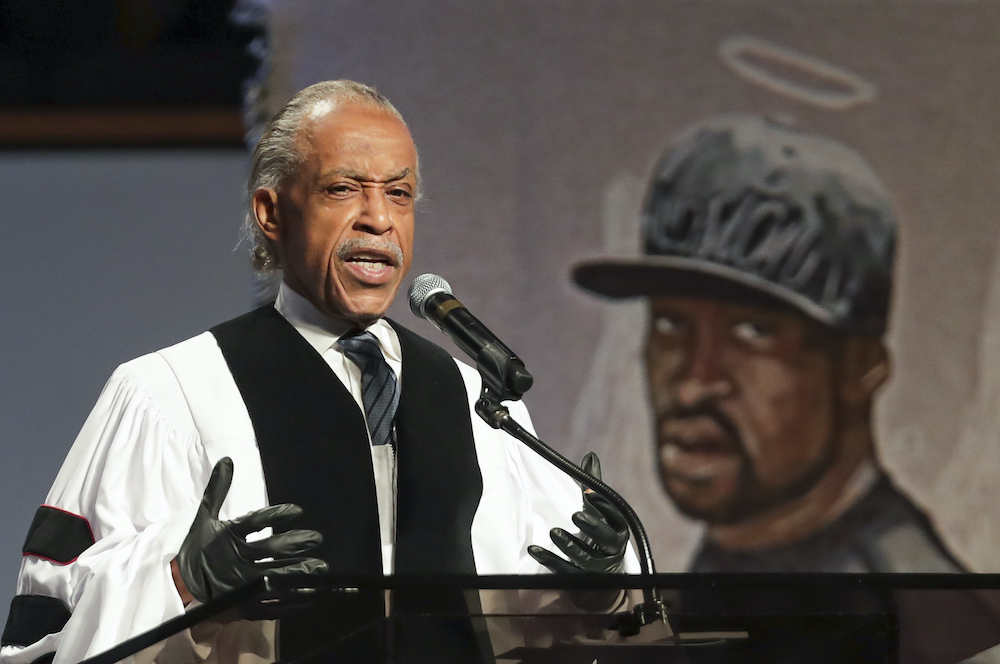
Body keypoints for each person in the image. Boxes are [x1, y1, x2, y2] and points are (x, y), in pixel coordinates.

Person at [1, 80, 630, 664]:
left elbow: (530, 624)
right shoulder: (170, 394)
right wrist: (181, 581)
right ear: (271, 213)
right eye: (343, 189)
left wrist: (597, 587)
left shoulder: (478, 404)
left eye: (399, 193)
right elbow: (48, 625)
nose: (379, 218)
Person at [572, 114, 967, 574]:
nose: (693, 386)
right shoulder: (733, 569)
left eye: (754, 332)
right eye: (672, 324)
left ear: (860, 367)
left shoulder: (920, 611)